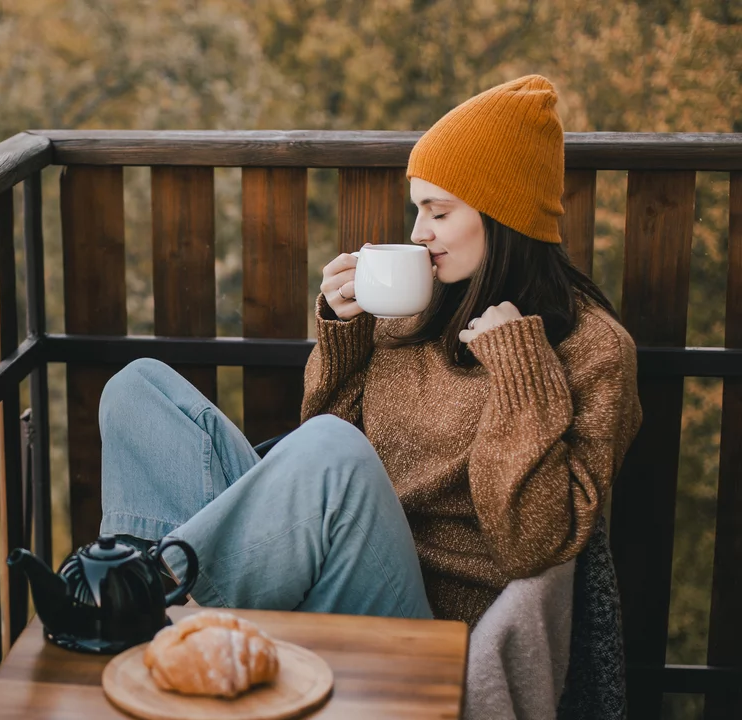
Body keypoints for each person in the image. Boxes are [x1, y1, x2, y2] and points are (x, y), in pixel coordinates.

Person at [98, 75, 643, 626]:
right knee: (138, 391)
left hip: (427, 617)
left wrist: (519, 368)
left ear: (504, 214)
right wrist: (345, 332)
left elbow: (532, 545)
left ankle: (160, 616)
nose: (419, 232)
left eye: (438, 211)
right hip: (324, 563)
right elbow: (316, 452)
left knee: (333, 447)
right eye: (418, 210)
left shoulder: (593, 349)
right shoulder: (419, 305)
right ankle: (148, 592)